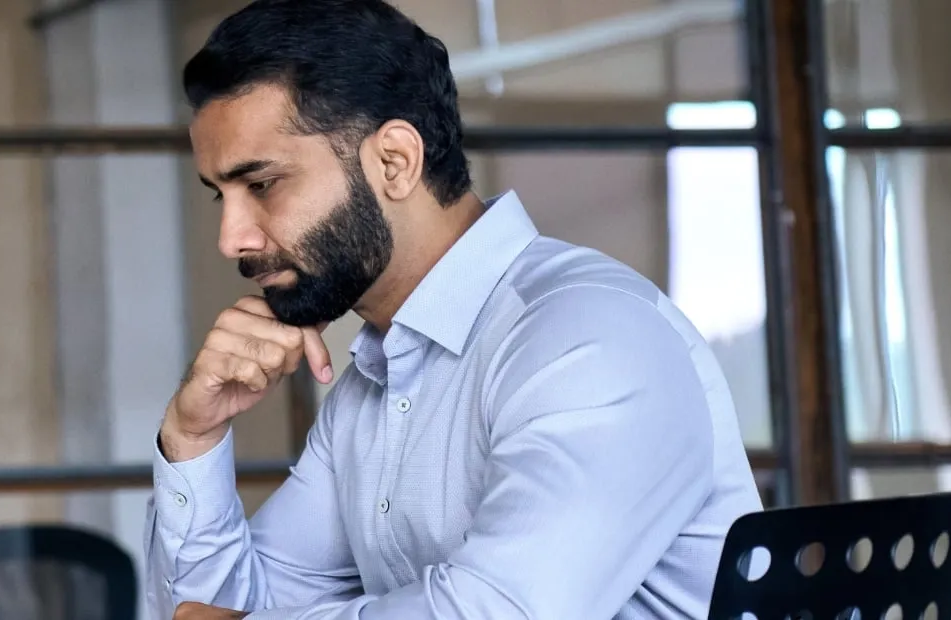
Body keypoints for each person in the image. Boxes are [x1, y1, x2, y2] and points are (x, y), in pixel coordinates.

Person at [150, 1, 764, 618]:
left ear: (395, 161)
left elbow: (502, 612)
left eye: (261, 185)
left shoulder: (590, 339)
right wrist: (193, 436)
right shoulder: (372, 389)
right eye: (220, 196)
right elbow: (225, 604)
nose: (232, 239)